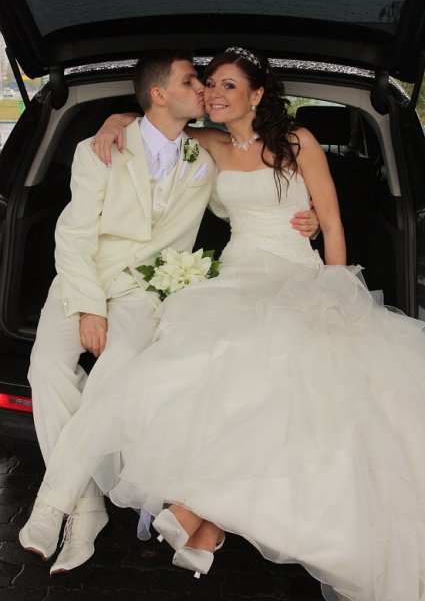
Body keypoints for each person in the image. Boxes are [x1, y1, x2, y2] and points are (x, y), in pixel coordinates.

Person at [38, 47, 425, 601]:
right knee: (200, 365)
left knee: (271, 370)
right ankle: (204, 520)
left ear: (257, 94)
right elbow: (154, 124)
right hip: (238, 272)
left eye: (227, 86)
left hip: (296, 275)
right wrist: (113, 119)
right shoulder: (209, 143)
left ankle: (199, 513)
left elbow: (333, 224)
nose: (214, 94)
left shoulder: (299, 143)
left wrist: (336, 291)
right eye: (210, 84)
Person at [20, 48, 319, 575]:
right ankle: (85, 507)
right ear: (160, 95)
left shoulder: (205, 156)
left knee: (117, 370)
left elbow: (256, 189)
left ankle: (52, 505)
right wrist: (89, 307)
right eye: (193, 81)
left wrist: (305, 215)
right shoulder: (101, 148)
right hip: (84, 278)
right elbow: (72, 236)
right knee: (44, 367)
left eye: (214, 84)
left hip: (145, 290)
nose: (205, 89)